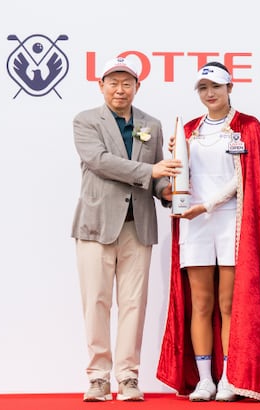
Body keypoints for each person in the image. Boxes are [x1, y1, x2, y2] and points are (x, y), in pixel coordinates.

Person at [156, 61, 260, 403]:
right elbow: (182, 175)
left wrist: (207, 205)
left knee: (228, 303)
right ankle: (205, 380)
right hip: (194, 223)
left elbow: (245, 177)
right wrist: (175, 159)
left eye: (216, 87)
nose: (210, 94)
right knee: (201, 303)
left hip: (232, 222)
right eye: (203, 88)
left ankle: (228, 378)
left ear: (229, 88)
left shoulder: (248, 126)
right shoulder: (188, 129)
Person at [72, 56, 181, 402]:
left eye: (127, 83)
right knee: (96, 302)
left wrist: (170, 192)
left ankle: (128, 376)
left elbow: (158, 175)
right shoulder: (86, 121)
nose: (120, 89)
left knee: (134, 304)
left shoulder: (152, 124)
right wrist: (151, 173)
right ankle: (98, 377)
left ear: (137, 86)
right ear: (101, 85)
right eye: (113, 83)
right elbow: (100, 162)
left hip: (139, 226)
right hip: (96, 225)